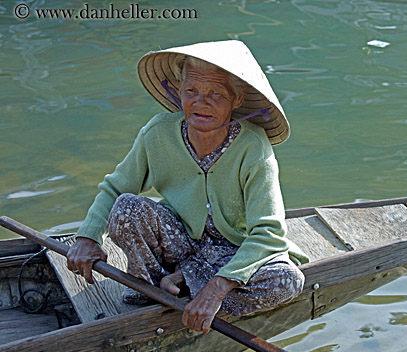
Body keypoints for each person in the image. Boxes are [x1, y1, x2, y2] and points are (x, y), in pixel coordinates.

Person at [66, 40, 309, 334]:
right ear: (178, 92)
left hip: (232, 253)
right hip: (178, 243)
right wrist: (88, 237)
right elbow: (115, 189)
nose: (200, 102)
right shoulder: (157, 133)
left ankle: (182, 285)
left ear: (236, 99)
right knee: (127, 207)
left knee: (286, 282)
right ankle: (157, 290)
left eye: (215, 94)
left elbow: (268, 235)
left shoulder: (253, 148)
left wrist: (217, 288)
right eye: (190, 91)